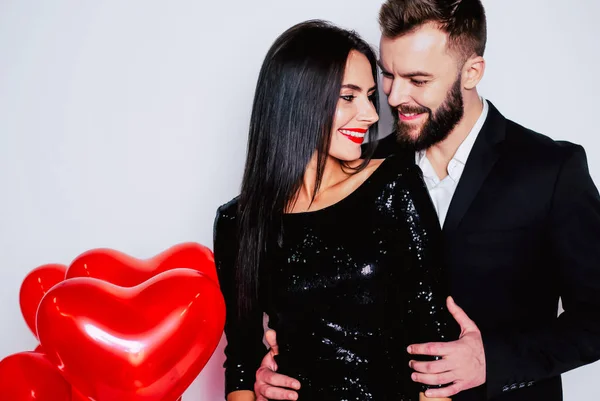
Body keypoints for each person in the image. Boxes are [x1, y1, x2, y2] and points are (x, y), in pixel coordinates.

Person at [253, 1, 600, 401]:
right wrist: (277, 366)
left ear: (472, 72)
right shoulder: (358, 166)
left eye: (417, 80)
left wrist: (492, 360)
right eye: (387, 74)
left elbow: (596, 317)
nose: (396, 97)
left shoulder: (551, 170)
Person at [213, 19, 461, 401]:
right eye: (348, 97)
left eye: (369, 95)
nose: (372, 115)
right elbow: (242, 361)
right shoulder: (238, 222)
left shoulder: (393, 184)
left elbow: (435, 339)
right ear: (297, 100)